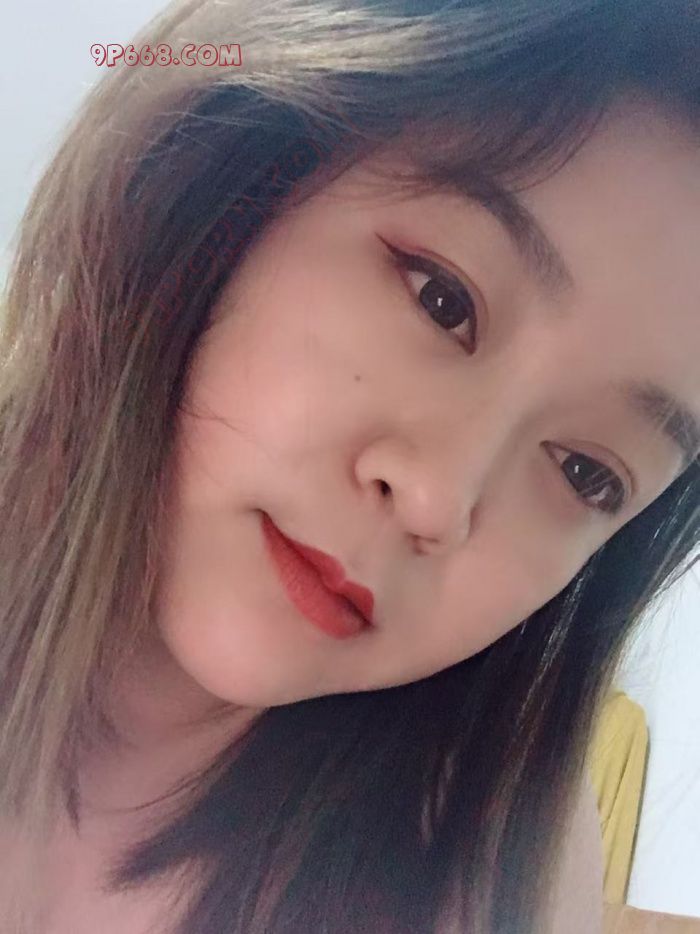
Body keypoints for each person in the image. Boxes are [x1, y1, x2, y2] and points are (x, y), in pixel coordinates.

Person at [0, 0, 697, 931]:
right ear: (240, 175)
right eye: (443, 301)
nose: (437, 499)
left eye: (586, 473)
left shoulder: (483, 868)